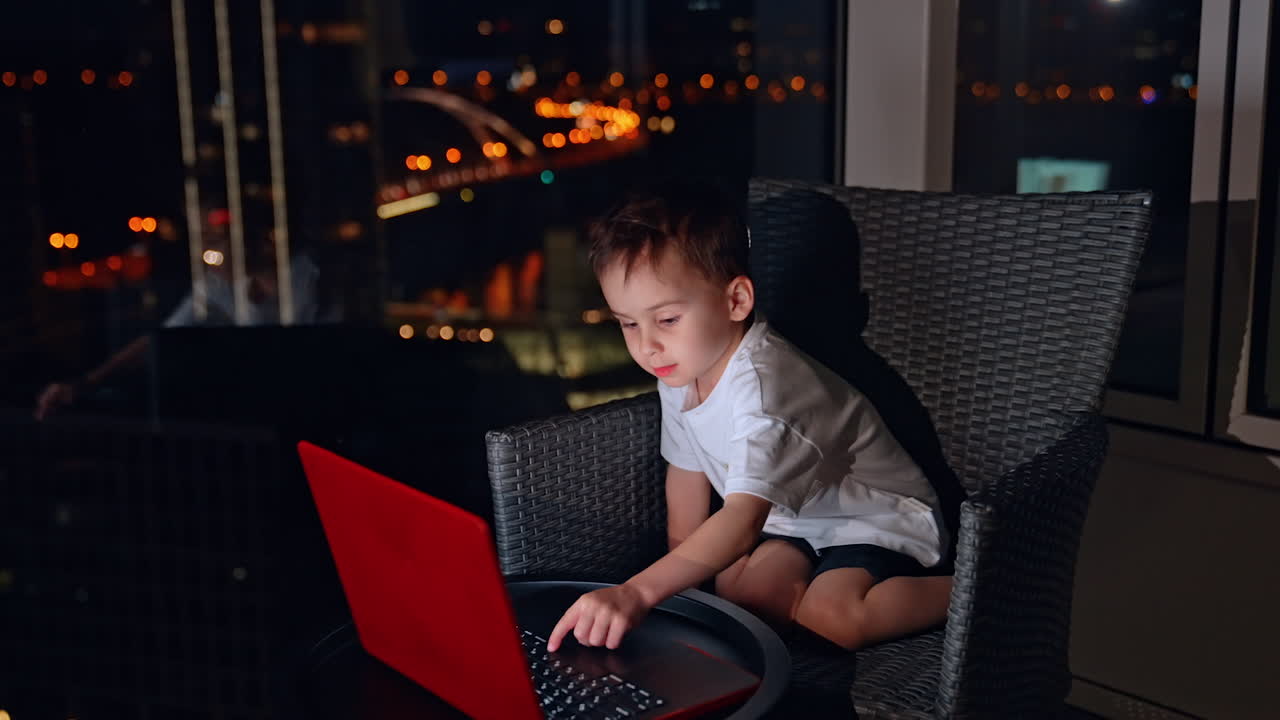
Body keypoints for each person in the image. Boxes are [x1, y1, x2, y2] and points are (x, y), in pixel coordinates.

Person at [546, 183, 960, 653]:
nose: (647, 345)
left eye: (666, 320)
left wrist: (639, 591)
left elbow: (742, 520)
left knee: (830, 619)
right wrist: (679, 585)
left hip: (873, 519)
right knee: (742, 596)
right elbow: (687, 477)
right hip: (796, 520)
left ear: (736, 301)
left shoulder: (766, 391)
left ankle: (968, 591)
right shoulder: (683, 368)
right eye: (627, 323)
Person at [34, 237, 329, 420]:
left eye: (215, 239)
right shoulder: (216, 286)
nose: (208, 252)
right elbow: (159, 340)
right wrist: (85, 382)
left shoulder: (304, 272)